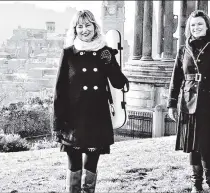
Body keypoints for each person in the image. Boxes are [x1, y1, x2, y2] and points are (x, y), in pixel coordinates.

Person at [52, 10, 129, 193]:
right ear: (75, 30)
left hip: (97, 116)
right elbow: (59, 90)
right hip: (73, 118)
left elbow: (119, 82)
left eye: (88, 25)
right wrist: (57, 122)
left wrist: (110, 60)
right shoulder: (68, 54)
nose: (84, 30)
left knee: (92, 163)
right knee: (74, 163)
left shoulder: (105, 52)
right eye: (80, 26)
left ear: (95, 27)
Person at [168, 10, 210, 193]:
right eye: (193, 25)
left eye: (200, 24)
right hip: (188, 104)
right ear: (189, 27)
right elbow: (176, 79)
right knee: (193, 148)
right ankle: (197, 185)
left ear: (207, 26)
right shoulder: (183, 49)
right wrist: (172, 103)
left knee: (206, 146)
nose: (196, 28)